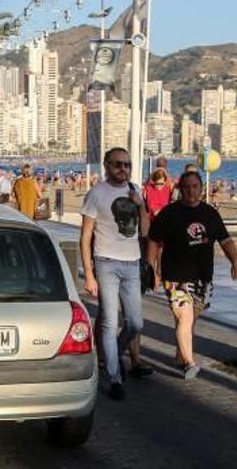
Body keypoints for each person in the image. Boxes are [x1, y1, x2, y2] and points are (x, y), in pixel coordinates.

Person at [147, 171, 237, 379]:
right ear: (180, 189)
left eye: (195, 187)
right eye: (187, 187)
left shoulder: (210, 213)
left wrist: (235, 262)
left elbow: (225, 240)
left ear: (201, 188)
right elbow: (154, 241)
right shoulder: (169, 213)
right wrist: (151, 269)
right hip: (175, 277)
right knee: (185, 316)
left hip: (202, 277)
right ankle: (189, 363)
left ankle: (181, 355)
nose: (191, 191)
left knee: (189, 321)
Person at [80, 147, 148, 400]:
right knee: (109, 322)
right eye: (118, 164)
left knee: (135, 323)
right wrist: (89, 273)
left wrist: (140, 206)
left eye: (127, 164)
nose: (123, 169)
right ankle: (115, 377)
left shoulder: (134, 191)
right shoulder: (97, 193)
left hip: (132, 264)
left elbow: (145, 230)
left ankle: (115, 355)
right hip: (106, 263)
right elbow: (85, 236)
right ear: (107, 166)